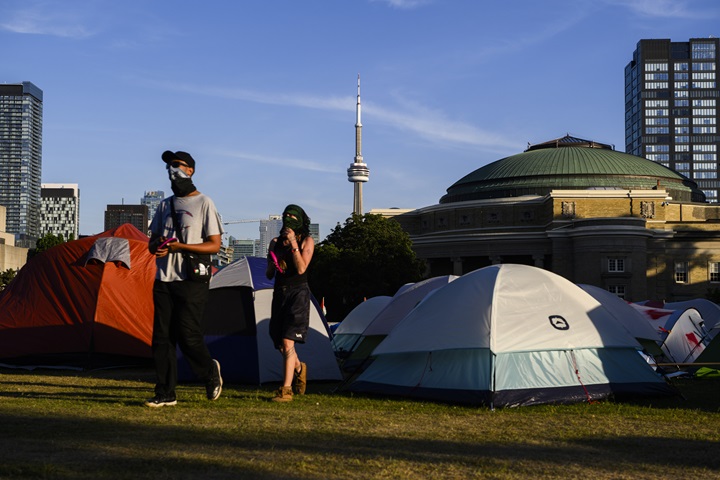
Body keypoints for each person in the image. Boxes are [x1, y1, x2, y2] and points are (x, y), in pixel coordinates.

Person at [145, 150, 224, 407]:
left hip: (192, 279)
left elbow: (214, 245)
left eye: (177, 165)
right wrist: (157, 246)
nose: (172, 170)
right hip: (164, 278)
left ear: (190, 170)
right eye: (169, 166)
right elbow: (153, 240)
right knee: (162, 339)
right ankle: (165, 392)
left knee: (188, 336)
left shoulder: (204, 203)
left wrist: (181, 248)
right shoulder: (165, 205)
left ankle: (209, 371)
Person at [266, 204, 315, 402]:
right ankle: (298, 368)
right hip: (280, 292)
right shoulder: (275, 242)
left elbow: (302, 268)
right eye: (286, 216)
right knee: (280, 342)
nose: (288, 219)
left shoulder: (307, 241)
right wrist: (273, 260)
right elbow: (269, 274)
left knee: (288, 341)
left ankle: (286, 390)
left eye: (293, 217)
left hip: (298, 293)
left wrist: (294, 244)